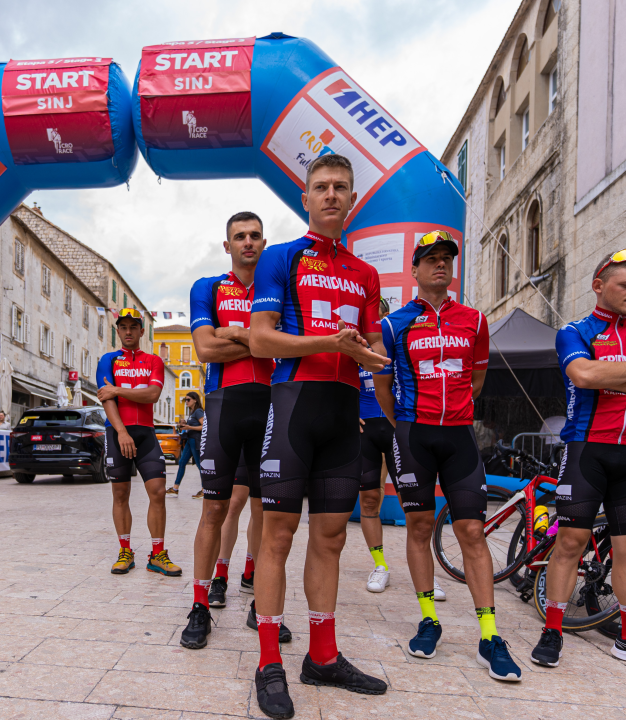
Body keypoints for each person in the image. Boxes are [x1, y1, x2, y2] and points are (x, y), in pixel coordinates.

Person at [249, 154, 391, 716]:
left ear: (352, 200)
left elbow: (376, 354)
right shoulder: (282, 258)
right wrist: (331, 344)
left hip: (341, 415)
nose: (331, 194)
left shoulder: (365, 273)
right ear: (305, 199)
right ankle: (268, 661)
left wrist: (368, 358)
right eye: (321, 187)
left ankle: (323, 658)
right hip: (292, 406)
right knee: (277, 536)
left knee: (331, 537)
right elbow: (261, 341)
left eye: (341, 188)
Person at [374, 230, 520, 683]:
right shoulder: (394, 324)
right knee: (418, 525)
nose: (440, 265)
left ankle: (490, 636)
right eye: (430, 259)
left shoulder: (475, 321)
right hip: (414, 435)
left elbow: (476, 381)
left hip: (458, 436)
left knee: (471, 530)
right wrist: (403, 424)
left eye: (446, 259)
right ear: (415, 269)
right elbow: (383, 386)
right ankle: (428, 620)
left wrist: (450, 409)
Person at [533, 248, 626, 672]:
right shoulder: (574, 331)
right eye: (625, 285)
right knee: (571, 542)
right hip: (586, 450)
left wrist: (611, 372)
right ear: (599, 286)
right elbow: (583, 376)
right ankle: (554, 629)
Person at [180, 210, 278, 652]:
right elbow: (204, 348)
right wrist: (253, 338)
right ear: (227, 245)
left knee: (267, 511)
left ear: (263, 240)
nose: (248, 242)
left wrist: (232, 334)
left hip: (273, 406)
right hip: (223, 407)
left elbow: (279, 346)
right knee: (214, 511)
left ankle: (261, 599)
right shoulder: (208, 287)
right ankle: (200, 605)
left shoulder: (278, 288)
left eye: (255, 235)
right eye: (240, 236)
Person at [356, 300, 449, 601]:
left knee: (415, 506)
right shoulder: (354, 344)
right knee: (370, 499)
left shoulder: (402, 340)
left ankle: (425, 575)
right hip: (366, 430)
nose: (377, 322)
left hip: (400, 428)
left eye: (381, 316)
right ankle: (380, 565)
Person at [96, 308, 180, 577]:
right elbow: (106, 399)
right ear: (117, 331)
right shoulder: (108, 360)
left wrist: (118, 389)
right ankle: (125, 550)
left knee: (157, 492)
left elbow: (153, 394)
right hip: (117, 432)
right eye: (124, 327)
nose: (129, 332)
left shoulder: (154, 361)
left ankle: (157, 554)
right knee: (120, 494)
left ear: (142, 331)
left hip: (145, 433)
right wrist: (121, 431)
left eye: (134, 327)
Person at [168, 392, 204, 495]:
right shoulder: (192, 413)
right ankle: (175, 488)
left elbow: (204, 426)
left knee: (199, 465)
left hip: (195, 441)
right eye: (185, 400)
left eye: (188, 399)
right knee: (182, 462)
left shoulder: (198, 412)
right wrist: (184, 424)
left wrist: (189, 427)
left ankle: (205, 490)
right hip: (189, 440)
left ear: (195, 400)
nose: (186, 402)